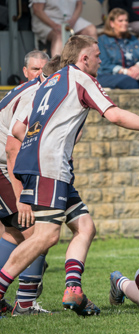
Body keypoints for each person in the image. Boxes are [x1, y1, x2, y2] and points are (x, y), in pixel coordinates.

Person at [0, 35, 139, 317]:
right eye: (97, 55)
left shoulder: (49, 81)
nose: (101, 60)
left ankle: (73, 288)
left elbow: (19, 127)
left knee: (85, 226)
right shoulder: (80, 77)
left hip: (44, 163)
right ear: (83, 58)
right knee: (45, 236)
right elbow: (115, 116)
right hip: (49, 166)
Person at [0, 51, 50, 316]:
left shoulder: (30, 89)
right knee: (37, 234)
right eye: (34, 68)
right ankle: (26, 305)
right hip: (2, 167)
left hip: (7, 166)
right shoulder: (35, 94)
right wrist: (21, 198)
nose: (38, 73)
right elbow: (11, 149)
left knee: (13, 233)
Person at [97, 8, 139, 89]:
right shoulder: (102, 40)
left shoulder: (132, 39)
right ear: (112, 23)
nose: (125, 23)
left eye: (126, 20)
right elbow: (104, 64)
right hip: (108, 75)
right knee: (130, 83)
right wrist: (126, 72)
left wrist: (137, 68)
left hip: (131, 75)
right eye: (120, 21)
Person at [31, 0, 98, 56]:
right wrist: (54, 25)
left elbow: (79, 4)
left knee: (91, 30)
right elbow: (37, 10)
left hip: (70, 19)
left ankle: (91, 64)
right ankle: (58, 68)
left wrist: (73, 20)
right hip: (47, 21)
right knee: (59, 36)